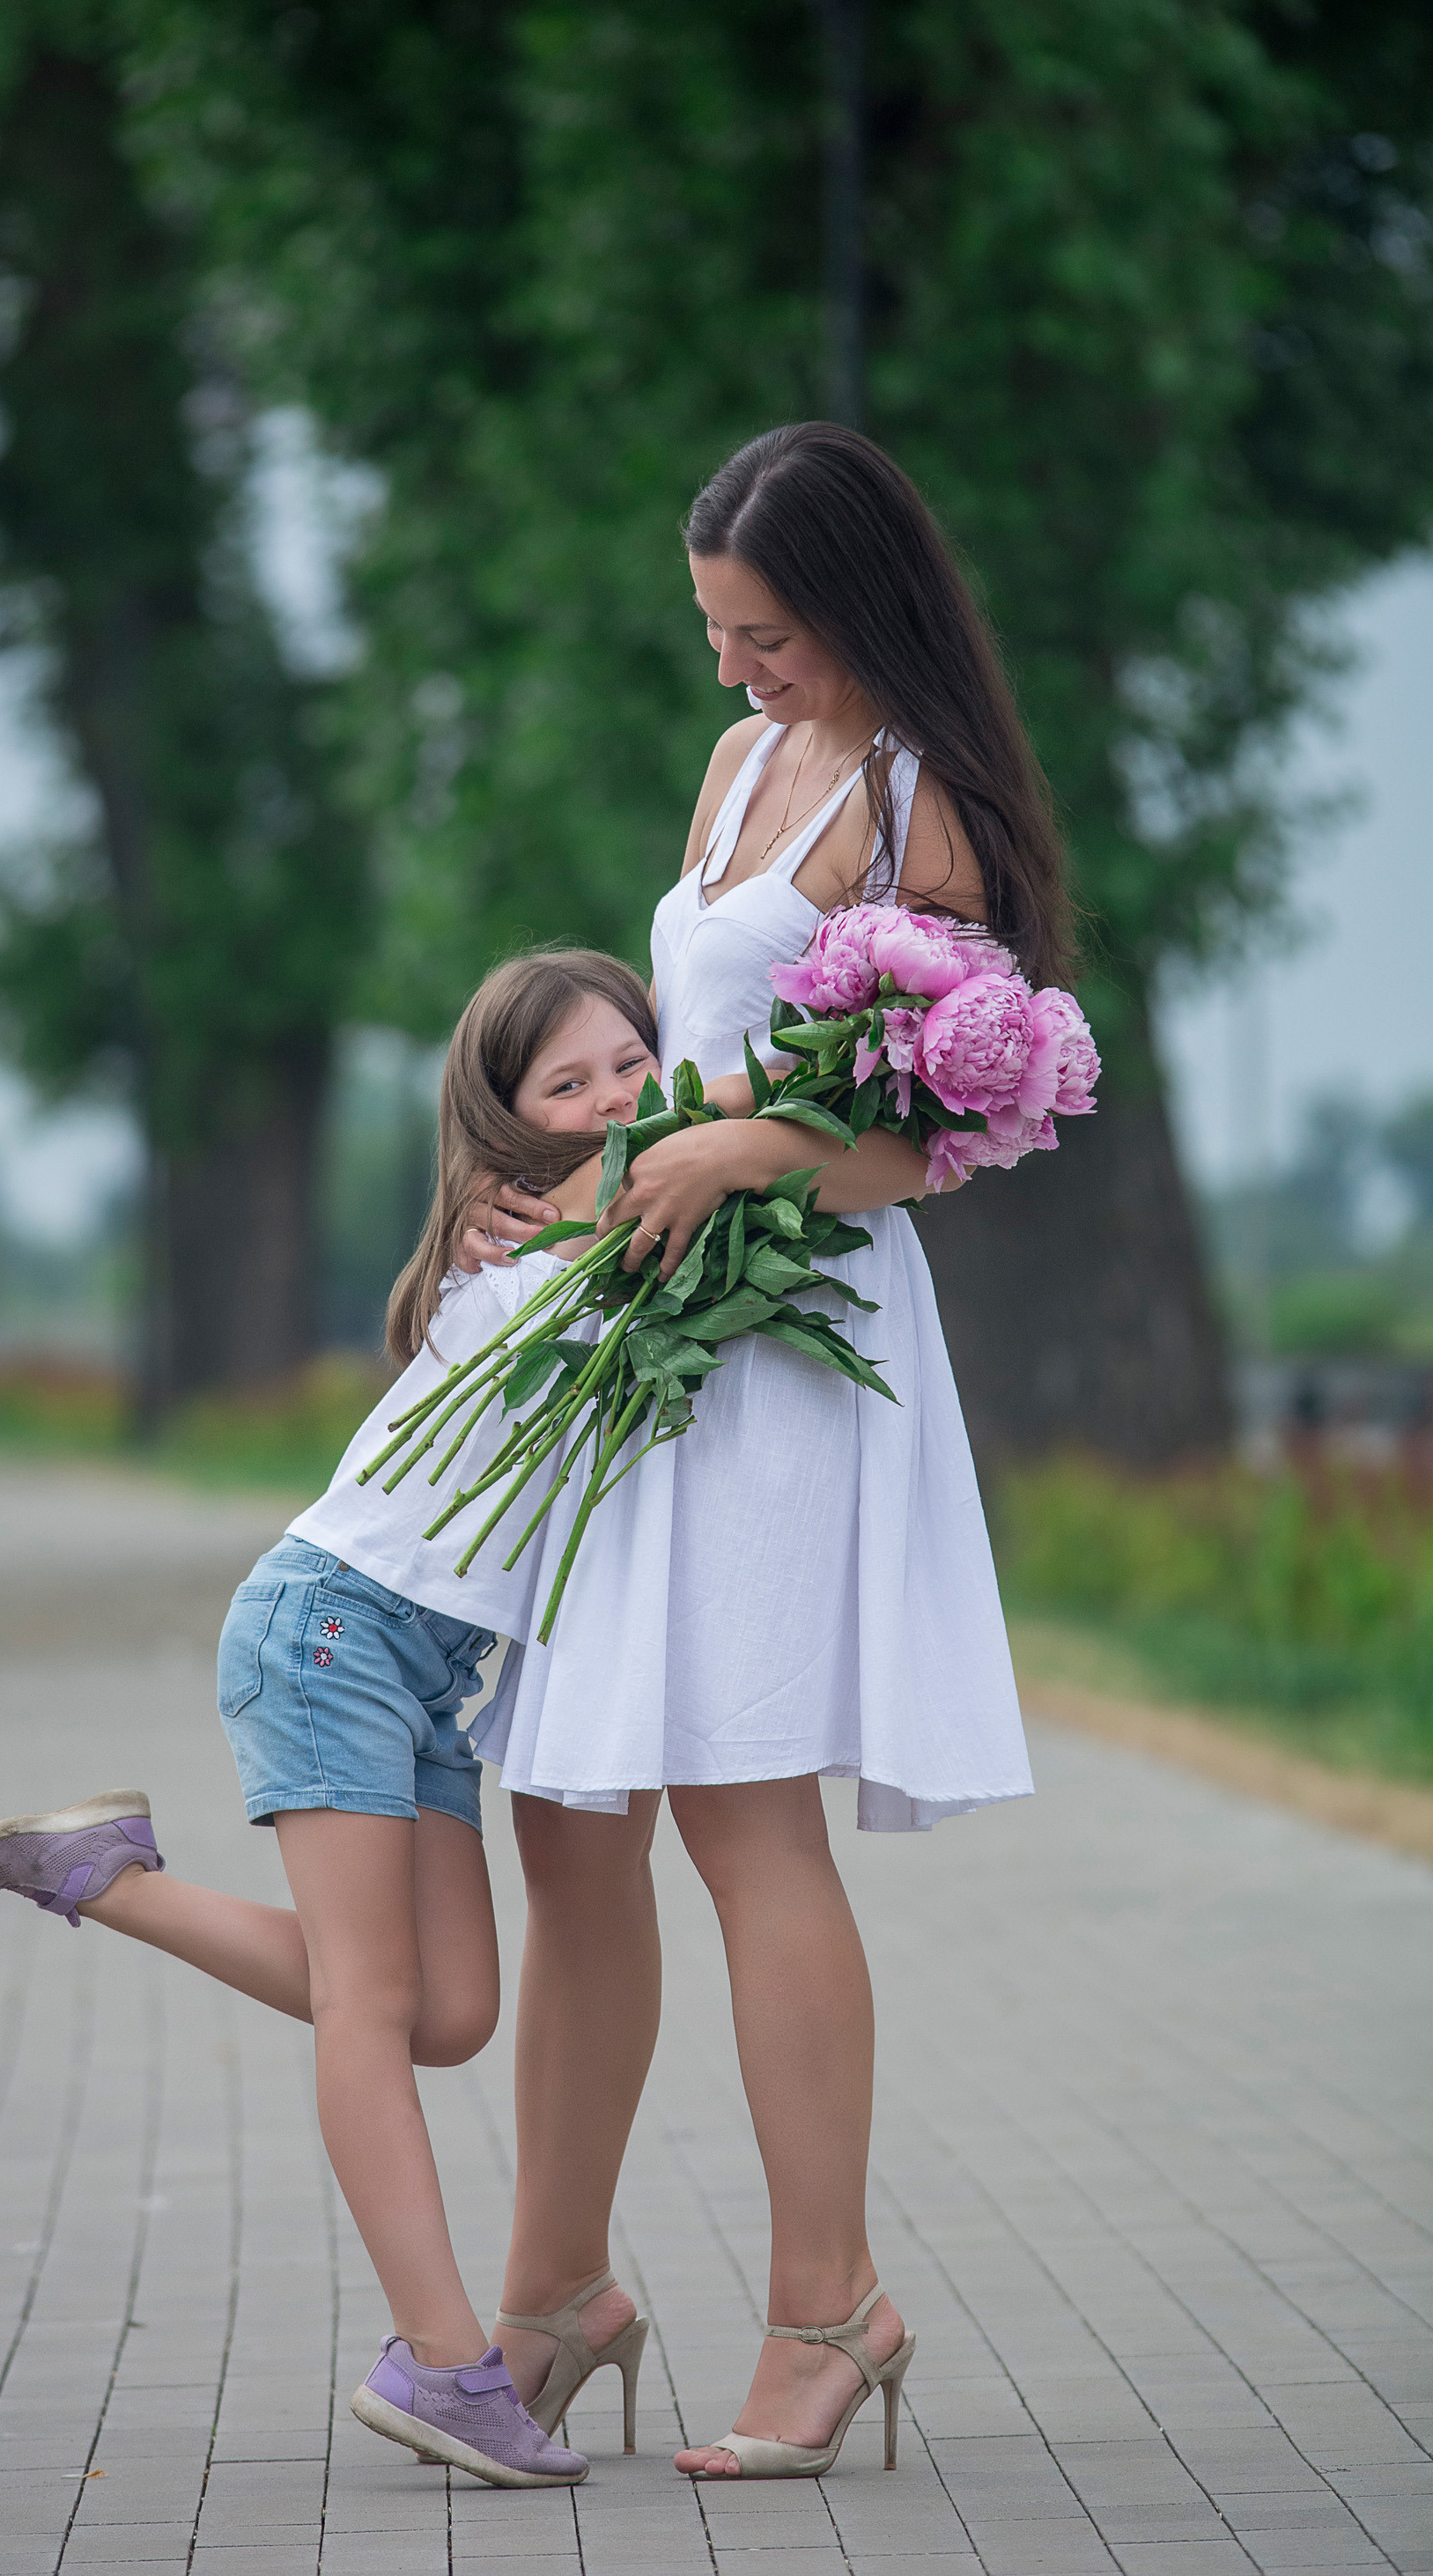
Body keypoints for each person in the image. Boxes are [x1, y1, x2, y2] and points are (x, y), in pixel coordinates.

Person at [459, 423, 1073, 2479]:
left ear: (858, 605)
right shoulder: (737, 769)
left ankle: (826, 2308)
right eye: (717, 631)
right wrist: (577, 1193)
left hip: (788, 1343)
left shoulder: (920, 807)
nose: (735, 668)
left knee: (740, 1812)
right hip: (651, 1322)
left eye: (768, 634)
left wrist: (734, 1153)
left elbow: (930, 1143)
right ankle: (553, 2293)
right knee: (567, 1815)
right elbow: (688, 1061)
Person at [0, 950, 666, 2492]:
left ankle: (105, 1878)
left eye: (633, 1064)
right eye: (571, 1084)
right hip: (332, 1632)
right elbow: (672, 1179)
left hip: (418, 1672)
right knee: (373, 2008)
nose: (616, 1101)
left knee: (448, 2013)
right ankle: (445, 2365)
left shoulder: (577, 1232)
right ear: (509, 1125)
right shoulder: (539, 1244)